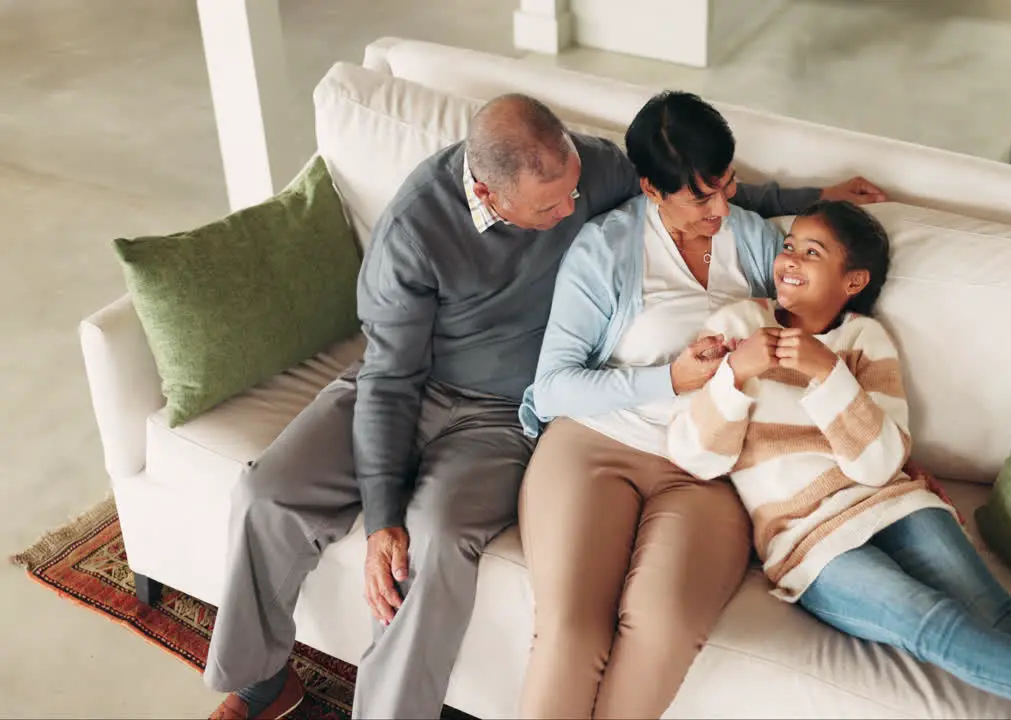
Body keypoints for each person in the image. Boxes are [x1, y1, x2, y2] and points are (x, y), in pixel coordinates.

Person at [203, 91, 884, 719]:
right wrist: (381, 518)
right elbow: (388, 381)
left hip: (501, 418)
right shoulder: (415, 231)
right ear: (486, 192)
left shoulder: (584, 173)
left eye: (572, 196)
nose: (571, 216)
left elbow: (697, 194)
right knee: (267, 492)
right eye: (547, 210)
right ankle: (263, 681)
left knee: (435, 542)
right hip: (399, 385)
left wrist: (812, 201)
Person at [665, 200, 1011, 720]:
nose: (789, 260)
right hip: (808, 538)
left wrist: (827, 374)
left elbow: (878, 464)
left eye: (813, 252)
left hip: (892, 504)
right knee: (932, 623)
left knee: (999, 613)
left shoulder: (865, 339)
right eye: (790, 246)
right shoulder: (739, 325)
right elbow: (696, 455)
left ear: (853, 281)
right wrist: (734, 375)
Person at [515, 90, 887, 719]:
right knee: (573, 630)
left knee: (661, 627)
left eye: (728, 186)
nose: (722, 207)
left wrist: (893, 451)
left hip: (713, 467)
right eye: (701, 196)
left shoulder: (756, 242)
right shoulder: (604, 249)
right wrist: (672, 380)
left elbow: (827, 334)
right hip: (595, 445)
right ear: (651, 189)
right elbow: (553, 386)